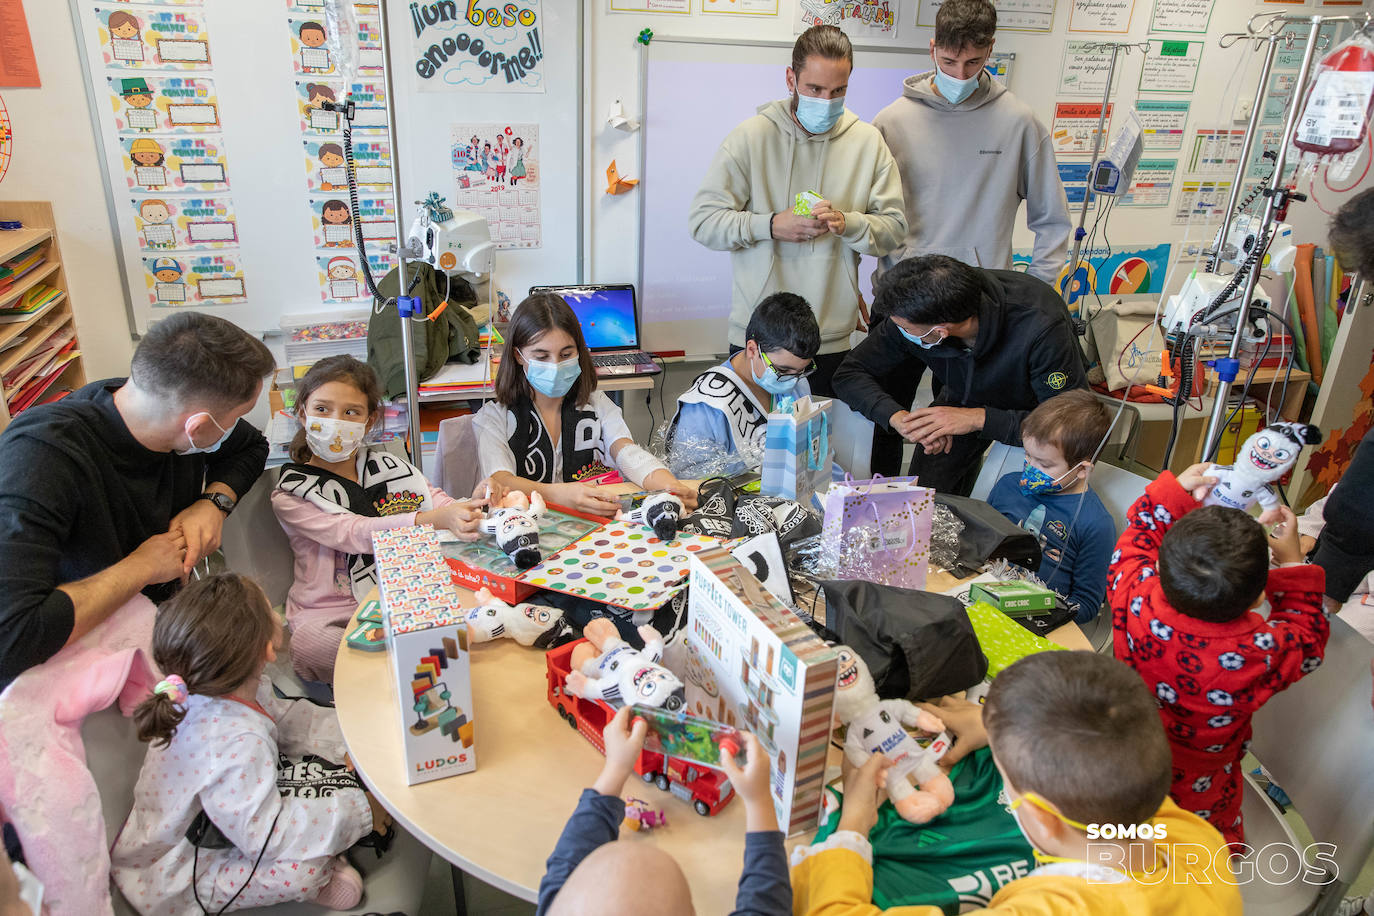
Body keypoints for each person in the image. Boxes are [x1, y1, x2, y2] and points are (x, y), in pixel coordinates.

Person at [790, 651, 1240, 914]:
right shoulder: (1196, 841)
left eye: (1005, 781)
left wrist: (852, 827)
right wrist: (1000, 725)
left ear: (1043, 821)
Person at [0, 311, 273, 690]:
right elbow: (12, 636)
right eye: (237, 416)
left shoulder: (154, 407)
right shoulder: (41, 457)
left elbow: (252, 447)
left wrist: (213, 503)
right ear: (195, 425)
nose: (236, 426)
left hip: (151, 635)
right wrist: (142, 567)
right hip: (69, 670)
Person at [111, 575, 387, 912]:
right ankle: (324, 876)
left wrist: (356, 739)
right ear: (268, 649)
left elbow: (288, 720)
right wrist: (361, 811)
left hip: (226, 819)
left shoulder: (222, 685)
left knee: (312, 776)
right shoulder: (233, 746)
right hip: (177, 874)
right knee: (303, 867)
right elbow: (269, 835)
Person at [1108, 464, 1329, 848]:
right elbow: (1308, 636)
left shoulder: (1134, 592)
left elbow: (1139, 535)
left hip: (1120, 764)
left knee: (1118, 834)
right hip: (1201, 793)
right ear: (1261, 596)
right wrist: (1293, 563)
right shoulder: (1260, 652)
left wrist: (1175, 491)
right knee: (1200, 852)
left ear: (1160, 567)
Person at [688, 25, 906, 397]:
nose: (827, 100)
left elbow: (894, 229)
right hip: (758, 339)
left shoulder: (868, 142)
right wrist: (771, 225)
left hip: (831, 338)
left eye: (838, 91)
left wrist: (848, 223)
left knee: (817, 452)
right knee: (750, 451)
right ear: (791, 78)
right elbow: (703, 222)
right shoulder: (751, 137)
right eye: (815, 89)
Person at [271, 356, 490, 685]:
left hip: (403, 591)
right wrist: (431, 519)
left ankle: (405, 665)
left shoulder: (392, 466)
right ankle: (409, 668)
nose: (336, 421)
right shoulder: (291, 493)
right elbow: (352, 533)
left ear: (370, 419)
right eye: (322, 409)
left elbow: (438, 501)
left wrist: (477, 505)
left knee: (477, 607)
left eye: (350, 412)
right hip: (330, 612)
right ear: (302, 412)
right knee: (309, 646)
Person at [833, 255, 1087, 495]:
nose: (900, 331)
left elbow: (1070, 424)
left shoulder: (1040, 324)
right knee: (924, 498)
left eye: (905, 328)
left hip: (1037, 410)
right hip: (962, 397)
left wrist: (979, 419)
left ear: (942, 331)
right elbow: (849, 373)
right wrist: (898, 418)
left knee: (1016, 504)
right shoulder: (915, 310)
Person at [873, 0, 1069, 285]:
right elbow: (870, 218)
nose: (960, 75)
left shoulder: (1019, 122)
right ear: (932, 49)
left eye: (973, 62)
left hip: (984, 296)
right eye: (949, 62)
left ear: (990, 49)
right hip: (906, 295)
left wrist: (1035, 291)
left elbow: (1053, 220)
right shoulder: (891, 123)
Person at [536, 706, 789, 915]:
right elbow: (766, 902)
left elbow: (568, 859)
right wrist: (758, 800)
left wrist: (615, 768)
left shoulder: (557, 905)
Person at [474, 293, 697, 516]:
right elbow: (501, 480)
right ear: (519, 355)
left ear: (579, 351)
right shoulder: (495, 417)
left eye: (566, 354)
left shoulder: (597, 404)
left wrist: (669, 485)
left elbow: (626, 451)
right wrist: (560, 495)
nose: (555, 365)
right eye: (542, 357)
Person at [987, 390, 1115, 623]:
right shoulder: (1008, 486)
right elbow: (979, 541)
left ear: (1082, 470)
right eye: (1027, 456)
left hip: (1038, 621)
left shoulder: (1095, 524)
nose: (1030, 469)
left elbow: (1085, 605)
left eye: (1044, 464)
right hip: (983, 596)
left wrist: (1039, 612)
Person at [665, 292, 820, 479]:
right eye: (782, 370)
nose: (793, 380)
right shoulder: (707, 406)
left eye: (801, 371)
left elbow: (812, 457)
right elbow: (690, 484)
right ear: (752, 349)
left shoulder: (798, 384)